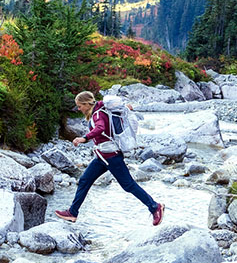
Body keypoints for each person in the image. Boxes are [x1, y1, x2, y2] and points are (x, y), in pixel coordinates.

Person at [55, 91, 164, 225]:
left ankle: (155, 207)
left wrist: (84, 138)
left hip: (111, 157)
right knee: (84, 180)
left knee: (128, 185)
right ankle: (72, 213)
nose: (79, 109)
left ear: (86, 104)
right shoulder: (100, 109)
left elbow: (100, 128)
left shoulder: (98, 114)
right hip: (102, 156)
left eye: (79, 106)